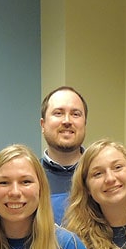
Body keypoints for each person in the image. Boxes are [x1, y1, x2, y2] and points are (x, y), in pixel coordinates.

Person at [40, 86, 88, 222]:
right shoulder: (30, 178)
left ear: (84, 123)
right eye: (58, 113)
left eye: (75, 114)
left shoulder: (103, 177)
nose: (67, 121)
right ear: (43, 125)